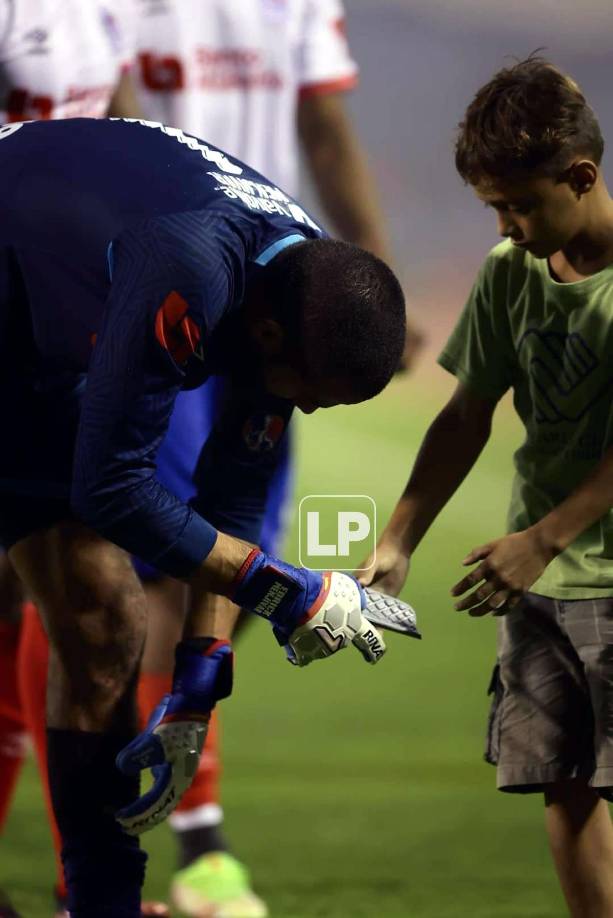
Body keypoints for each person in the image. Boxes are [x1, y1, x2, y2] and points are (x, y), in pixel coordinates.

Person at [0, 115, 404, 917]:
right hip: (17, 300)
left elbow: (232, 497)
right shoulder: (190, 268)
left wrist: (197, 680)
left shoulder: (301, 278)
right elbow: (113, 491)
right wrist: (289, 593)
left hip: (36, 324)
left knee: (105, 617)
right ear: (265, 335)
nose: (313, 409)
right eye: (316, 390)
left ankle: (100, 903)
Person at [117, 3, 424, 913]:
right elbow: (120, 116)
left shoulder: (295, 1)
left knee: (216, 543)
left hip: (281, 287)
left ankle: (163, 772)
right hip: (166, 281)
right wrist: (288, 589)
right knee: (137, 572)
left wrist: (365, 289)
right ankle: (181, 842)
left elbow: (323, 127)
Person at [360, 57, 613, 918]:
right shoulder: (510, 272)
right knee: (562, 783)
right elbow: (464, 415)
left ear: (579, 177)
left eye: (518, 205)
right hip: (539, 581)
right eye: (492, 209)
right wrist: (398, 539)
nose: (505, 227)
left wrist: (539, 538)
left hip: (572, 563)